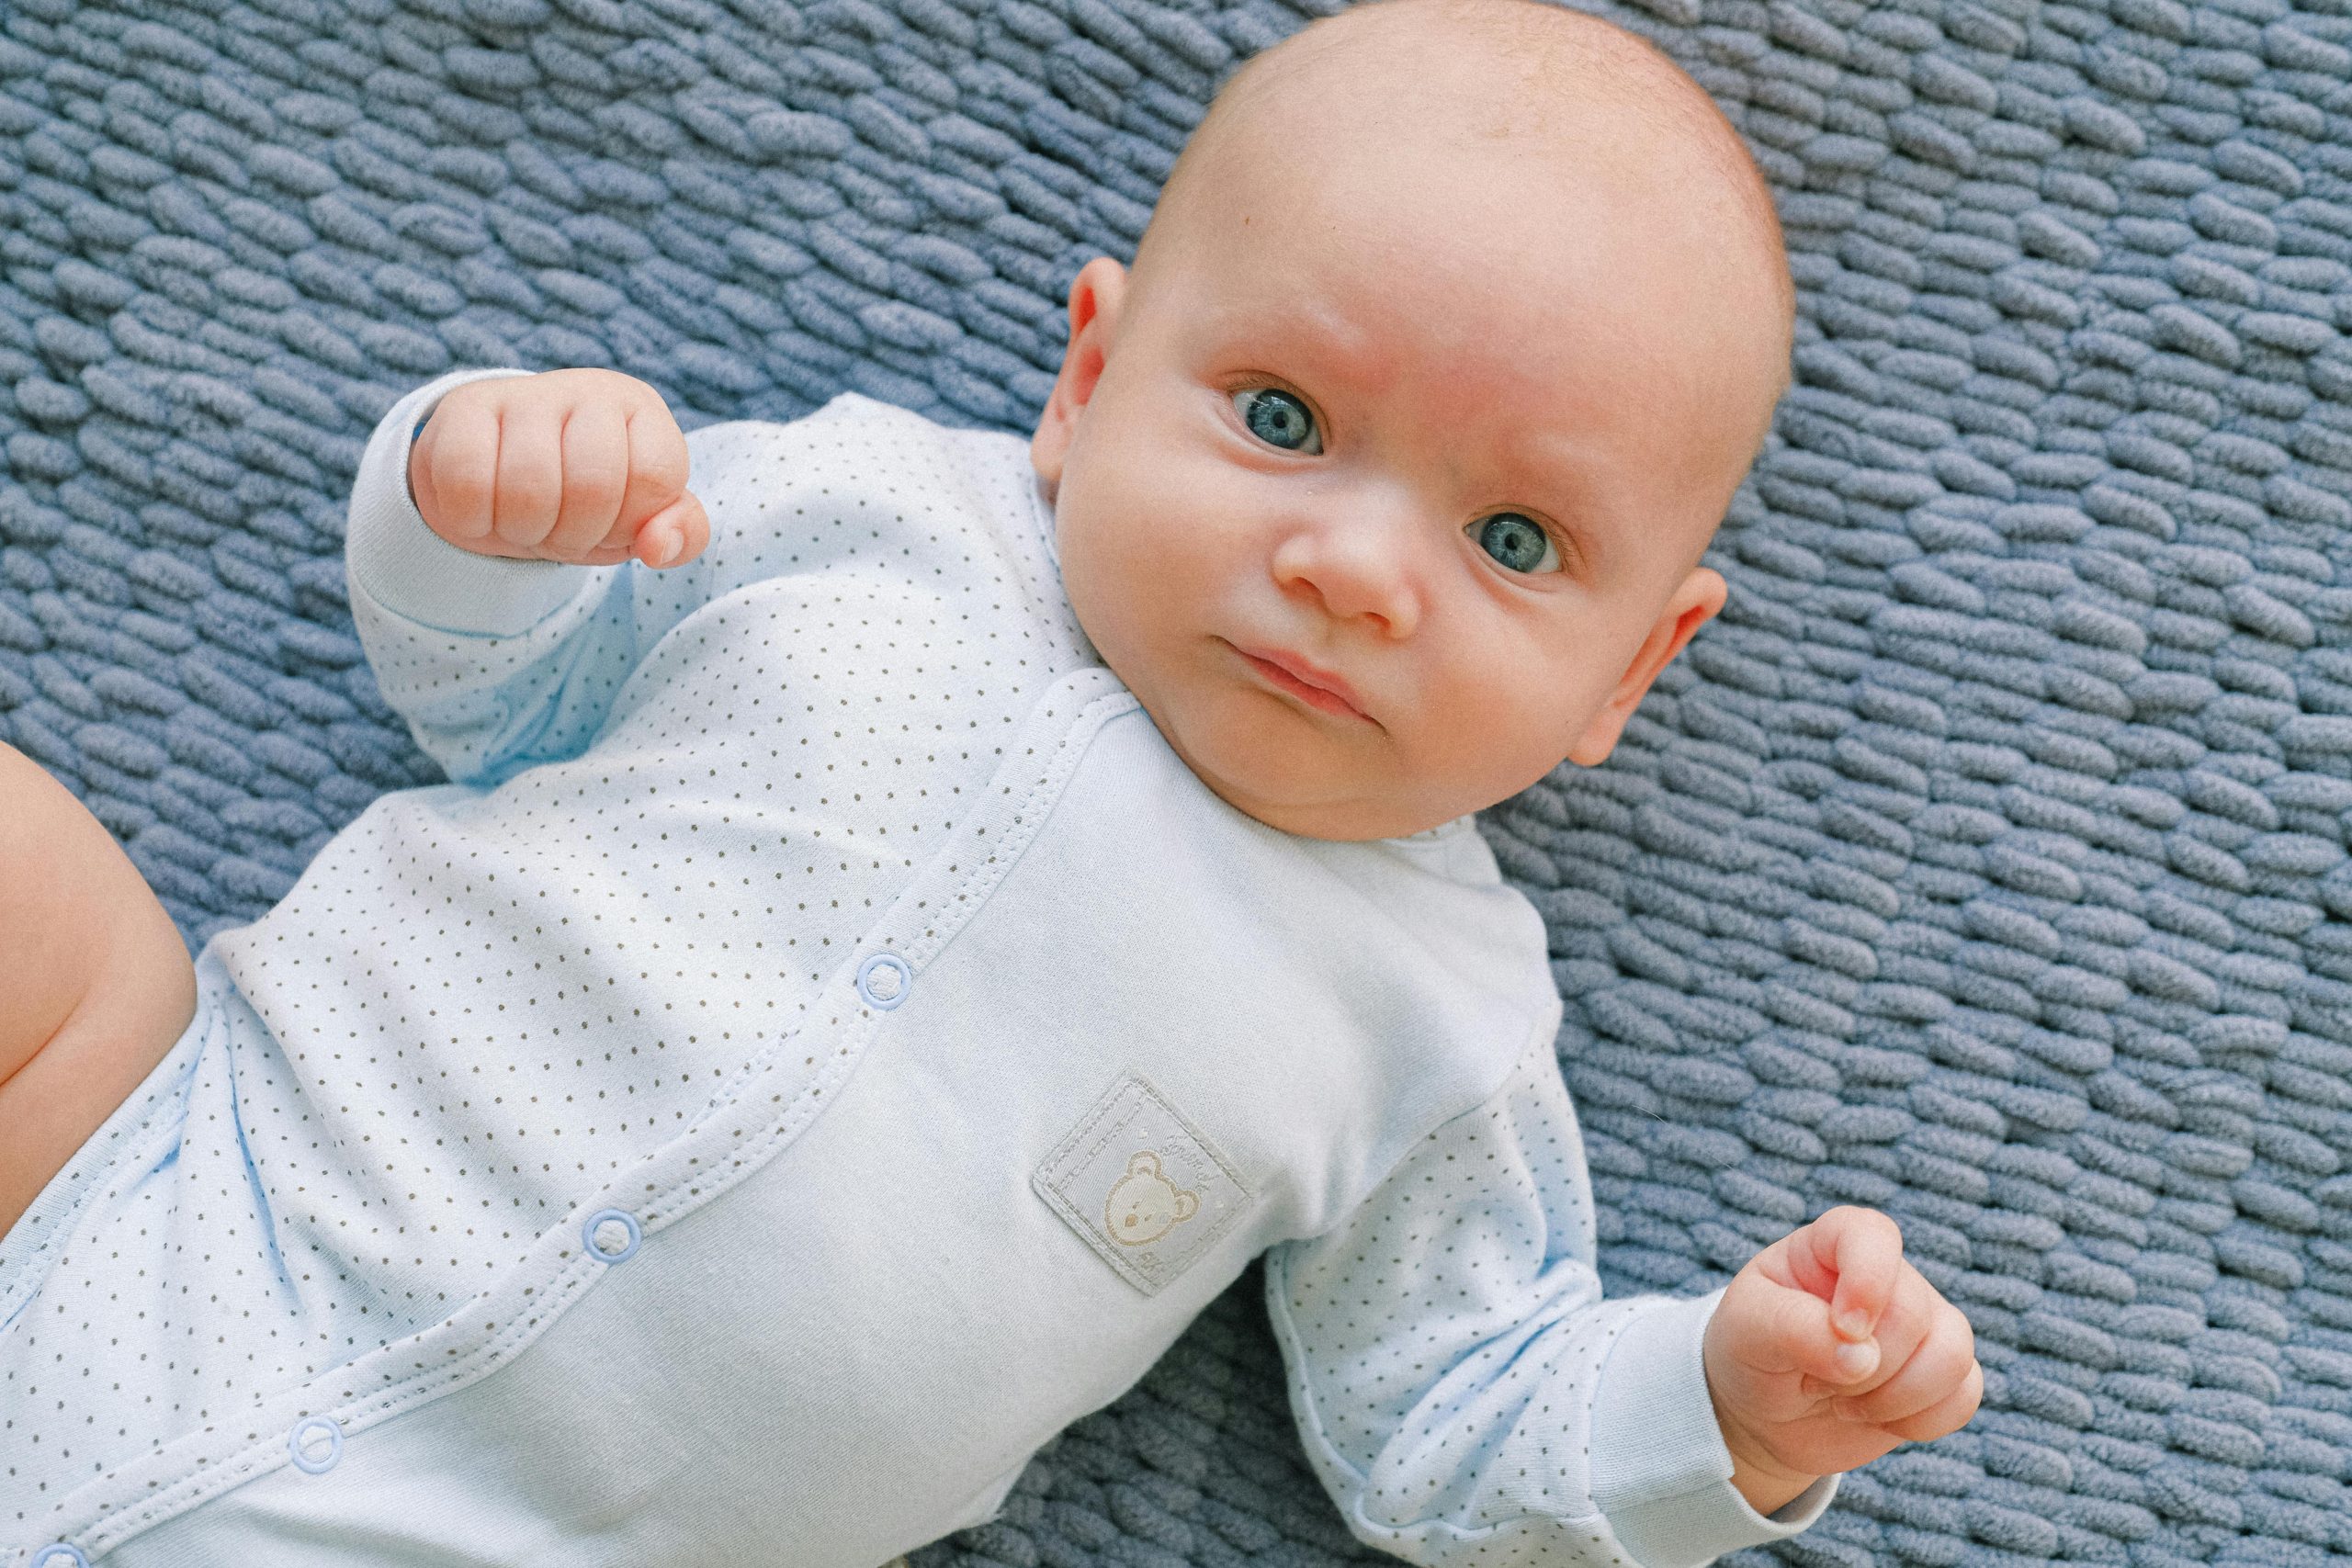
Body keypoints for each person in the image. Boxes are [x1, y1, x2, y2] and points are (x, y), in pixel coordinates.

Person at [0, 0, 1981, 1563]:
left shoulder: (1436, 1017)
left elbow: (1444, 1408)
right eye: (1281, 417)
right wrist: (488, 509)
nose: (1355, 570)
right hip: (165, 1163)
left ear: (1631, 667)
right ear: (1087, 382)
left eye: (1518, 544)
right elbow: (508, 696)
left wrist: (1723, 1405)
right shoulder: (870, 512)